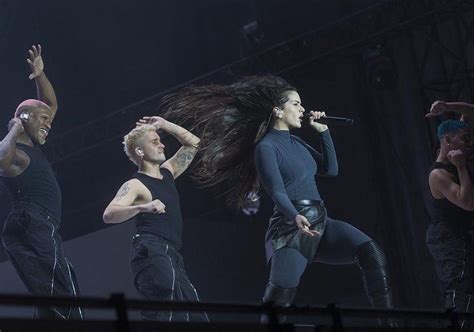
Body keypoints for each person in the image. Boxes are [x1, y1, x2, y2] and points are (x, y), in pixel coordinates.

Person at [159, 75, 395, 323]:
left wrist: (324, 133)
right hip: (290, 229)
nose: (302, 109)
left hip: (321, 222)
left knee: (372, 252)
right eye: (296, 104)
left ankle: (390, 324)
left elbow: (330, 169)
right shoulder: (266, 148)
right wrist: (295, 215)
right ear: (278, 111)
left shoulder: (297, 142)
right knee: (278, 302)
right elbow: (277, 191)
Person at [0, 45, 83, 319]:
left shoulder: (34, 146)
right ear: (25, 119)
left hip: (39, 224)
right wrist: (14, 128)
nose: (49, 123)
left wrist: (40, 75)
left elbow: (50, 103)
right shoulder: (19, 154)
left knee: (51, 295)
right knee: (64, 292)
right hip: (32, 221)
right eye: (43, 120)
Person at [103, 116, 208, 322]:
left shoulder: (168, 172)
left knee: (196, 316)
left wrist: (165, 125)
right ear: (140, 152)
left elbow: (194, 143)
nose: (161, 144)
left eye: (160, 140)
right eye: (154, 142)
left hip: (172, 253)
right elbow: (109, 214)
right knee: (164, 312)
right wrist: (144, 206)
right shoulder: (135, 184)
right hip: (151, 249)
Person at [426, 102, 474, 323]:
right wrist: (462, 167)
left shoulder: (454, 149)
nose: (469, 142)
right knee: (460, 288)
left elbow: (471, 112)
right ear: (447, 141)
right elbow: (468, 202)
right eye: (464, 139)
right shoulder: (438, 174)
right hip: (448, 237)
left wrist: (447, 106)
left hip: (462, 233)